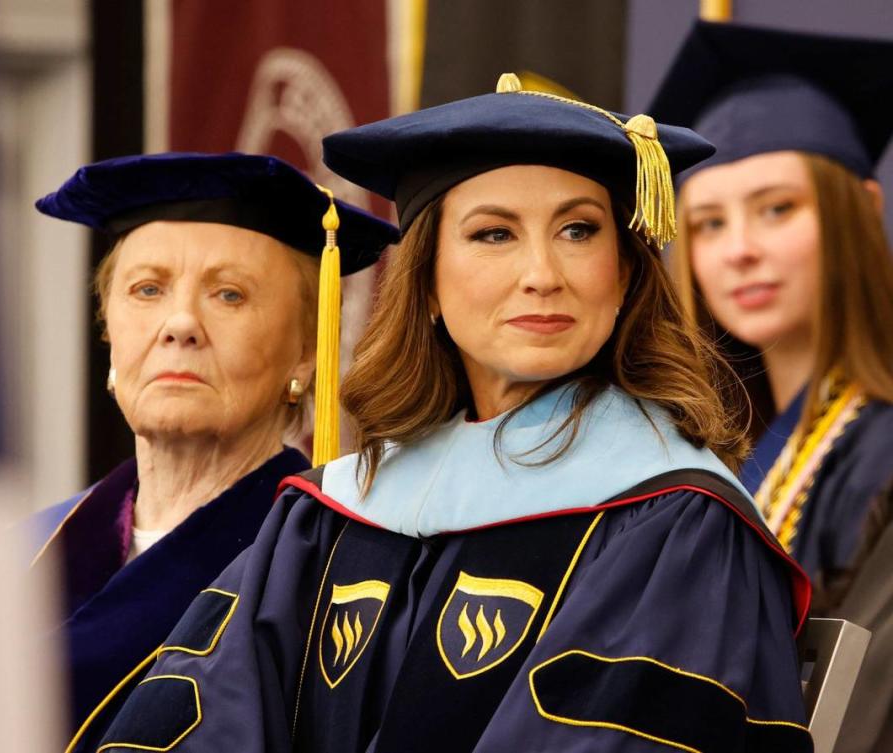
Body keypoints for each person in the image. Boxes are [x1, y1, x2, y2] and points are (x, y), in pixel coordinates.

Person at [86, 77, 812, 753]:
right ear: (427, 284)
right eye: (494, 233)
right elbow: (192, 717)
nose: (542, 274)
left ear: (623, 275)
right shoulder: (335, 513)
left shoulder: (674, 521)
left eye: (579, 230)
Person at [28, 152, 398, 741]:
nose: (180, 323)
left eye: (229, 295)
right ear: (109, 332)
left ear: (307, 350)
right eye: (147, 289)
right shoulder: (23, 546)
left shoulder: (337, 577)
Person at [650, 20, 893, 753]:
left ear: (863, 210)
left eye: (777, 208)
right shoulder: (705, 454)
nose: (741, 249)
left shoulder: (882, 455)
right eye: (709, 223)